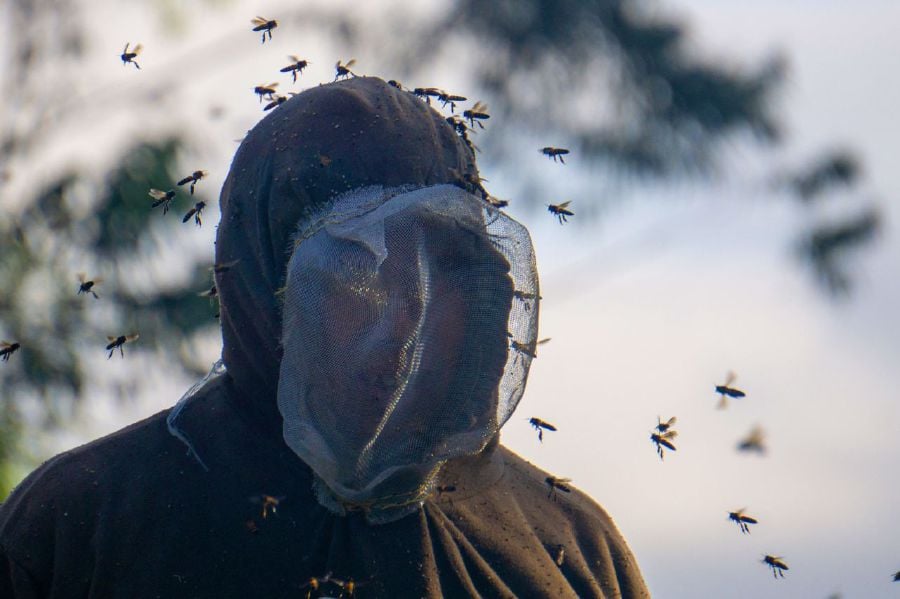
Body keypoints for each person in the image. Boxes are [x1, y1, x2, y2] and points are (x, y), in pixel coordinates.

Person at [0, 77, 649, 598]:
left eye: (440, 270)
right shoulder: (85, 525)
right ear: (263, 290)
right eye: (357, 275)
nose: (406, 322)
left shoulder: (575, 546)